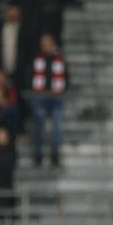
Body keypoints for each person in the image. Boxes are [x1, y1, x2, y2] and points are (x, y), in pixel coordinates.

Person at [30, 33, 67, 167]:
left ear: (53, 44)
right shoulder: (36, 58)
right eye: (44, 43)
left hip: (56, 97)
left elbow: (65, 77)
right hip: (40, 96)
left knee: (57, 122)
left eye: (48, 43)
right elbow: (30, 75)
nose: (46, 46)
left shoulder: (59, 59)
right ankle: (38, 154)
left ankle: (55, 154)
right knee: (39, 121)